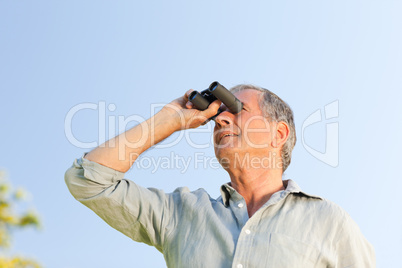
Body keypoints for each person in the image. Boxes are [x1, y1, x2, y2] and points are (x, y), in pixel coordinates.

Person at [65, 84, 375, 267]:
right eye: (216, 115)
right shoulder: (183, 214)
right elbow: (88, 179)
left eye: (236, 109)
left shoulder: (329, 221)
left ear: (278, 133)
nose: (221, 119)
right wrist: (169, 121)